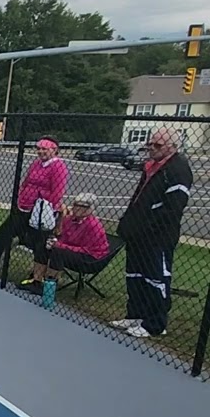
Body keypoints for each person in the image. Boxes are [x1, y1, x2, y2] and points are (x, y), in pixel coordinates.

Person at [112, 128, 193, 338]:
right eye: (151, 144)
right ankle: (135, 314)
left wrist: (148, 227)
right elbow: (139, 198)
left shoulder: (178, 169)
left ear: (172, 148)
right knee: (135, 275)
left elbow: (172, 208)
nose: (151, 148)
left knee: (156, 278)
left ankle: (155, 323)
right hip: (137, 234)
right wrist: (129, 223)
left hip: (158, 237)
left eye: (157, 145)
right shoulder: (151, 167)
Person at [0, 137, 69, 277]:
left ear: (54, 150)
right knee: (3, 233)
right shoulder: (36, 164)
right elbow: (26, 182)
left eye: (44, 149)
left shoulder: (58, 167)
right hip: (23, 208)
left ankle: (37, 276)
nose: (41, 151)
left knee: (39, 243)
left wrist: (46, 207)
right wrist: (21, 197)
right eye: (39, 148)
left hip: (40, 212)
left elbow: (57, 192)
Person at [16, 192, 109, 295]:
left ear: (91, 209)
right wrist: (53, 242)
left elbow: (87, 250)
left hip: (91, 258)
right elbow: (62, 237)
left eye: (83, 206)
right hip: (73, 250)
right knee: (43, 245)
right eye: (76, 205)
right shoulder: (69, 219)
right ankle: (36, 281)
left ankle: (49, 285)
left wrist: (61, 246)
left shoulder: (93, 225)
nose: (77, 208)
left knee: (58, 252)